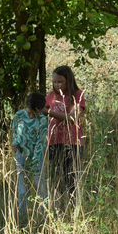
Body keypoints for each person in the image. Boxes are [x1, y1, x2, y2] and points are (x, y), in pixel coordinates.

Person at [43, 66, 85, 203]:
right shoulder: (51, 96)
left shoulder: (77, 95)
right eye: (54, 82)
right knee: (57, 178)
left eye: (60, 82)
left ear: (69, 81)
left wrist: (49, 113)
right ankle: (59, 206)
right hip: (54, 141)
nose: (57, 85)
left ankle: (74, 208)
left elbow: (73, 117)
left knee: (72, 178)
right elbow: (40, 110)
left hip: (73, 142)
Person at [11, 92, 49, 216]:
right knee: (22, 189)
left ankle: (45, 215)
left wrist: (36, 161)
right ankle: (21, 216)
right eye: (30, 112)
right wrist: (15, 143)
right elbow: (15, 132)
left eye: (35, 113)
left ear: (41, 110)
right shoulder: (19, 115)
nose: (32, 116)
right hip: (21, 156)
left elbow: (41, 143)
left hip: (36, 158)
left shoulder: (42, 120)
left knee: (40, 188)